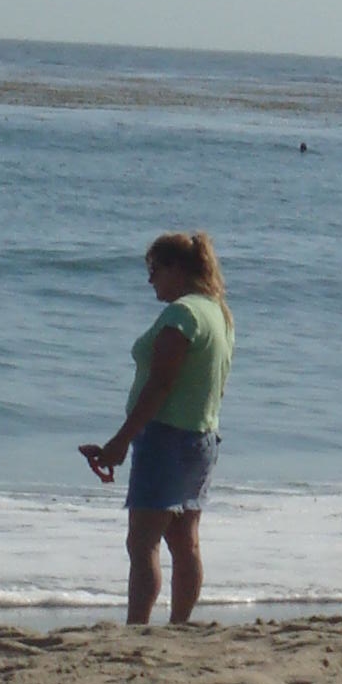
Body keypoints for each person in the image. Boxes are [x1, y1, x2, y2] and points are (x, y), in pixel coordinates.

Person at [80, 231, 235, 626]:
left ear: (176, 269)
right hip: (201, 437)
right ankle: (179, 624)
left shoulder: (182, 315)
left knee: (142, 542)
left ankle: (138, 627)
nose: (150, 280)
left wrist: (120, 442)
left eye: (155, 270)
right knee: (185, 542)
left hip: (166, 437)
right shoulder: (217, 312)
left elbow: (160, 384)